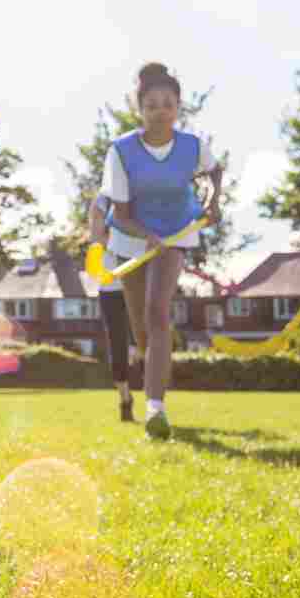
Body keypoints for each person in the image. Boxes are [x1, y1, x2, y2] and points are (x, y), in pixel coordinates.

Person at [103, 62, 222, 440]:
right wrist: (145, 234)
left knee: (158, 313)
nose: (160, 111)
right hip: (130, 236)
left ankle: (156, 406)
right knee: (141, 325)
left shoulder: (192, 146)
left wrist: (213, 202)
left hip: (175, 234)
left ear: (178, 107)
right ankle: (148, 367)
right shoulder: (120, 151)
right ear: (140, 109)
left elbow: (214, 171)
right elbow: (119, 213)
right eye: (152, 104)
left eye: (167, 104)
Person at [88, 190, 147, 423]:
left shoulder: (141, 196)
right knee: (117, 342)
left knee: (145, 339)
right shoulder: (101, 201)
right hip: (111, 284)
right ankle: (125, 399)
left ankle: (154, 400)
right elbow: (96, 236)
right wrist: (125, 242)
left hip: (137, 279)